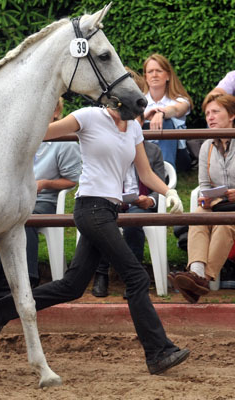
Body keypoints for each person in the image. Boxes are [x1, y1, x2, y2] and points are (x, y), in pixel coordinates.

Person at [0, 104, 190, 376]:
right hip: (91, 209)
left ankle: (1, 309)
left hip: (107, 210)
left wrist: (169, 191)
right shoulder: (90, 116)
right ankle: (158, 352)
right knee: (137, 277)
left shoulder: (134, 128)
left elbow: (146, 173)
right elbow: (46, 133)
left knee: (72, 286)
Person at [0, 99, 81, 304]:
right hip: (12, 197)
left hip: (43, 199)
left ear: (56, 113)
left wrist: (45, 183)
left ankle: (21, 283)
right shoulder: (17, 138)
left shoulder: (64, 142)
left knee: (25, 220)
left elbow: (73, 179)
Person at [92, 68, 166, 297]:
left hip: (139, 204)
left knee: (134, 220)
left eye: (135, 120)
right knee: (104, 220)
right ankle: (101, 274)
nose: (129, 124)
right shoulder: (107, 144)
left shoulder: (152, 151)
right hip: (111, 201)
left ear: (141, 124)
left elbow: (158, 182)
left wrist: (151, 201)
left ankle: (131, 279)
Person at [172, 93, 235, 303]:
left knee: (224, 223)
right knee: (199, 213)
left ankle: (202, 280)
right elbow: (205, 187)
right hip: (219, 205)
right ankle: (197, 274)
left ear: (232, 115)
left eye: (216, 111)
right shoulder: (207, 146)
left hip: (230, 211)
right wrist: (204, 200)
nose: (210, 117)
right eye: (208, 113)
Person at [142, 54, 192, 171]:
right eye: (150, 72)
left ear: (168, 76)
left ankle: (165, 174)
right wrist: (143, 117)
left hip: (178, 155)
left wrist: (161, 113)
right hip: (146, 153)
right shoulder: (140, 102)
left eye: (159, 71)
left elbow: (177, 109)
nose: (154, 75)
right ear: (145, 77)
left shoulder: (181, 100)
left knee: (167, 122)